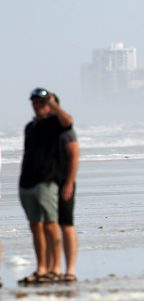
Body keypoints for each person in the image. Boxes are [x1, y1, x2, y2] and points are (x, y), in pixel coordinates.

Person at [18, 88, 73, 285]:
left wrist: (53, 105)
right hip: (27, 182)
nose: (38, 105)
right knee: (35, 226)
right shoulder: (30, 127)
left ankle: (55, 268)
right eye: (35, 102)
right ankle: (42, 268)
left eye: (42, 102)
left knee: (51, 225)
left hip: (47, 181)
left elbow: (68, 122)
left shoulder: (55, 123)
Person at [54, 94, 79, 282]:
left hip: (64, 182)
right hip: (41, 184)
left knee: (66, 224)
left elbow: (74, 156)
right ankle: (52, 267)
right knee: (47, 226)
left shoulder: (65, 130)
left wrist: (69, 182)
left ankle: (69, 269)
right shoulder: (34, 128)